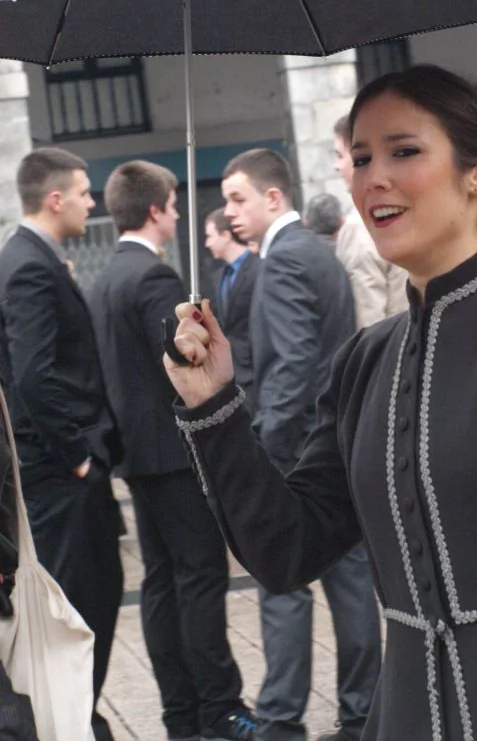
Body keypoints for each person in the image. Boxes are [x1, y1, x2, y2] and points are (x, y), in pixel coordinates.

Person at [163, 64, 477, 741]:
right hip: (407, 712)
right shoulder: (364, 359)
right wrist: (213, 407)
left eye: (404, 151)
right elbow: (287, 551)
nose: (372, 177)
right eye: (360, 157)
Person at [216, 149, 382, 741]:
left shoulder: (284, 261)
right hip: (334, 440)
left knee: (282, 584)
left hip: (298, 450)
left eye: (238, 198)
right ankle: (363, 710)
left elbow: (289, 366)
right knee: (352, 581)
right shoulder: (313, 250)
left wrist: (263, 447)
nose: (229, 211)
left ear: (272, 197)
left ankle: (283, 718)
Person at [89, 162, 255, 741]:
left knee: (161, 585)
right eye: (175, 203)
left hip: (137, 454)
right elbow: (182, 368)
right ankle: (220, 708)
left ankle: (180, 713)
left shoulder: (107, 277)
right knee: (202, 578)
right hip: (176, 452)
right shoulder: (156, 281)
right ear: (156, 210)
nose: (180, 213)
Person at [0, 148, 123, 741]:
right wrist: (76, 456)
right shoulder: (26, 264)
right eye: (83, 191)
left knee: (94, 600)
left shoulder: (35, 258)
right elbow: (32, 374)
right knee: (81, 608)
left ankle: (81, 721)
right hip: (58, 476)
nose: (91, 201)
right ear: (55, 199)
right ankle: (74, 725)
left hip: (63, 472)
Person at [333, 115, 407, 329]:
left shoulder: (360, 226)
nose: (336, 166)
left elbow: (369, 316)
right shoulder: (405, 213)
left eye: (340, 155)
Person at [204, 208, 259, 400]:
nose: (207, 243)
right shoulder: (219, 276)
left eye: (210, 236)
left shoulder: (258, 267)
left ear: (226, 235)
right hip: (233, 376)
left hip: (257, 373)